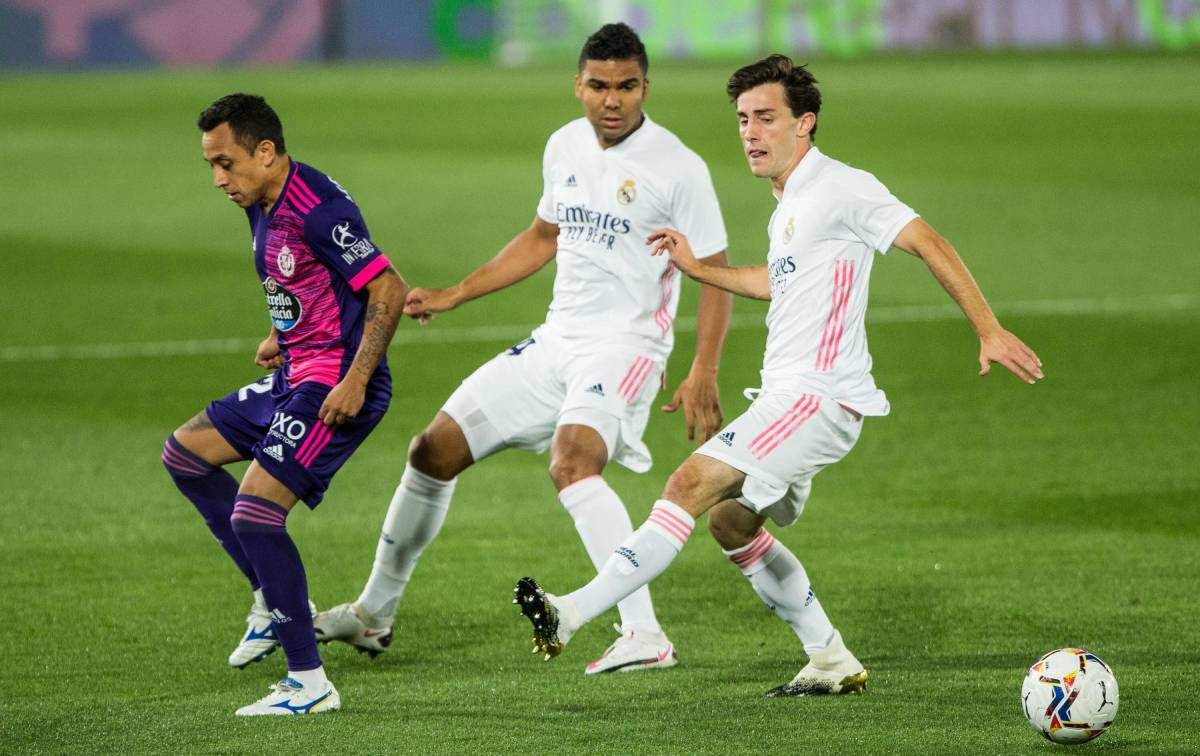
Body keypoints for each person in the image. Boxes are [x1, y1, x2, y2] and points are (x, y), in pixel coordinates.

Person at [513, 54, 1044, 696]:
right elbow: (779, 282)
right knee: (730, 522)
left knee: (688, 483)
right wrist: (698, 266)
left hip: (816, 398)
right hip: (792, 398)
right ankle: (829, 658)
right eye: (742, 119)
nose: (750, 132)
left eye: (766, 118)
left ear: (805, 124)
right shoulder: (788, 204)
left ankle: (572, 611)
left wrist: (987, 328)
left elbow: (927, 240)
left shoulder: (843, 187)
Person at [314, 22, 732, 674]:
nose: (611, 100)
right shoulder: (565, 145)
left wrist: (703, 368)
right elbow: (542, 236)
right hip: (555, 341)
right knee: (431, 451)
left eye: (626, 86)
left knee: (573, 463)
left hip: (624, 351)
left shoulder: (679, 168)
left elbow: (716, 273)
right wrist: (457, 292)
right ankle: (374, 613)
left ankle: (643, 633)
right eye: (598, 86)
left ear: (647, 86)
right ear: (578, 85)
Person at [161, 93, 408, 715]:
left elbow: (388, 288)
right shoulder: (262, 198)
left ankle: (310, 683)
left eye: (227, 163)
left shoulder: (318, 208)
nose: (219, 179)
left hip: (334, 387)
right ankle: (273, 601)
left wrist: (356, 378)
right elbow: (299, 277)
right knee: (186, 454)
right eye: (211, 165)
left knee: (255, 514)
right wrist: (283, 332)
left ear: (265, 152)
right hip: (299, 367)